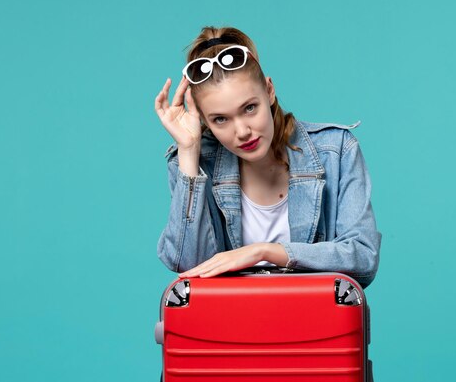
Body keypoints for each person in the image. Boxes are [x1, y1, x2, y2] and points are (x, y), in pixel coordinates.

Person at [154, 26, 381, 289]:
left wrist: (265, 251)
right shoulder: (196, 162)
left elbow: (364, 259)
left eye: (250, 108)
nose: (242, 131)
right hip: (228, 326)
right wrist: (189, 151)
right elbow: (189, 268)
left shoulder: (336, 151)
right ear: (205, 121)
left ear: (269, 91)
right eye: (220, 119)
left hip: (315, 324)